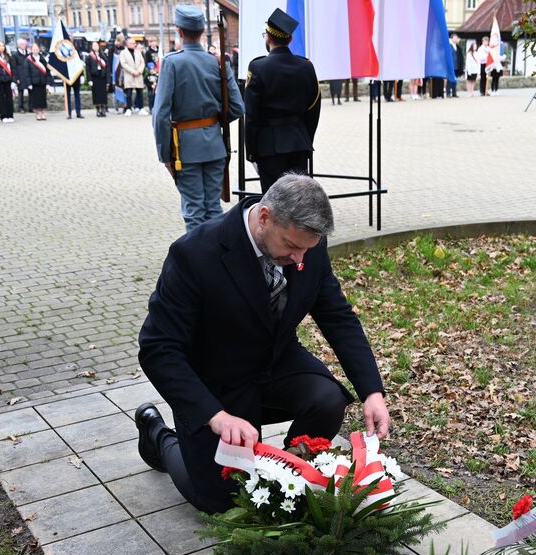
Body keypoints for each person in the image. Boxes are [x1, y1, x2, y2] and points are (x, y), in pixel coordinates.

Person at [135, 174, 391, 514]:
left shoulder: (305, 245)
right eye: (291, 246)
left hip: (275, 363)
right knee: (222, 501)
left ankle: (289, 475)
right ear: (265, 217)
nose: (299, 258)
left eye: (306, 249)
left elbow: (337, 316)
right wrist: (214, 416)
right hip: (216, 382)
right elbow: (157, 348)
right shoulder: (194, 254)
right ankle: (159, 436)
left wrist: (372, 391)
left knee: (327, 400)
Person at [152, 5, 245, 232]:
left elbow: (161, 114)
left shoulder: (172, 62)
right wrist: (213, 122)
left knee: (194, 211)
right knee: (213, 208)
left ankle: (197, 254)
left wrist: (164, 154)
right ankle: (215, 252)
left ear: (179, 31)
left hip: (185, 149)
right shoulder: (217, 62)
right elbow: (237, 107)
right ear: (203, 31)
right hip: (215, 146)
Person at [244, 8, 321, 192]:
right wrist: (305, 139)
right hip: (299, 143)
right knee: (298, 200)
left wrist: (252, 151)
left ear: (268, 37)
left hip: (268, 147)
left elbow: (252, 115)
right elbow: (313, 109)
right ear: (290, 39)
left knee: (273, 201)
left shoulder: (258, 67)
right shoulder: (306, 66)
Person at [120, 37, 146, 115]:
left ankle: (141, 108)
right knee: (128, 93)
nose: (133, 45)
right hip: (129, 75)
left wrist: (139, 71)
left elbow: (142, 62)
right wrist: (133, 71)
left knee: (140, 92)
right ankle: (128, 108)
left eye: (134, 43)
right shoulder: (123, 53)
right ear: (127, 44)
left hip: (138, 75)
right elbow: (123, 64)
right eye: (132, 43)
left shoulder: (138, 52)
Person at [26, 43, 49, 120]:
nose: (35, 50)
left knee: (43, 98)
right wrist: (29, 83)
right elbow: (26, 72)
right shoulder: (28, 59)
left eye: (36, 49)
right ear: (31, 50)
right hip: (34, 82)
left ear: (39, 50)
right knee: (36, 99)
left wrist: (48, 82)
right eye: (34, 49)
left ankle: (43, 112)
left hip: (42, 81)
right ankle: (38, 113)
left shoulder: (43, 59)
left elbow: (47, 70)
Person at [86, 41, 109, 117]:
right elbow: (87, 69)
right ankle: (98, 109)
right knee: (96, 94)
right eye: (94, 46)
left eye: (96, 45)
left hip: (102, 77)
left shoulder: (103, 55)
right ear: (92, 47)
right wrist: (89, 80)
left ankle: (103, 108)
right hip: (94, 77)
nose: (95, 47)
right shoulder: (90, 56)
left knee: (103, 94)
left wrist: (108, 80)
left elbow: (107, 68)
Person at [11, 38, 30, 113]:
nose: (24, 45)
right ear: (18, 45)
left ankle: (31, 107)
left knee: (31, 91)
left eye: (25, 44)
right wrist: (16, 78)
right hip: (20, 76)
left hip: (27, 75)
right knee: (20, 92)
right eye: (22, 44)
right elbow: (14, 68)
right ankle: (20, 107)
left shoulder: (28, 54)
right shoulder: (15, 55)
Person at [448, 33, 463, 98]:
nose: (456, 39)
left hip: (456, 65)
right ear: (452, 38)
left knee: (455, 80)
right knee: (449, 80)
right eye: (455, 38)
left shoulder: (457, 46)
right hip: (451, 65)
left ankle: (454, 93)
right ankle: (448, 93)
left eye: (457, 38)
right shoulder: (449, 46)